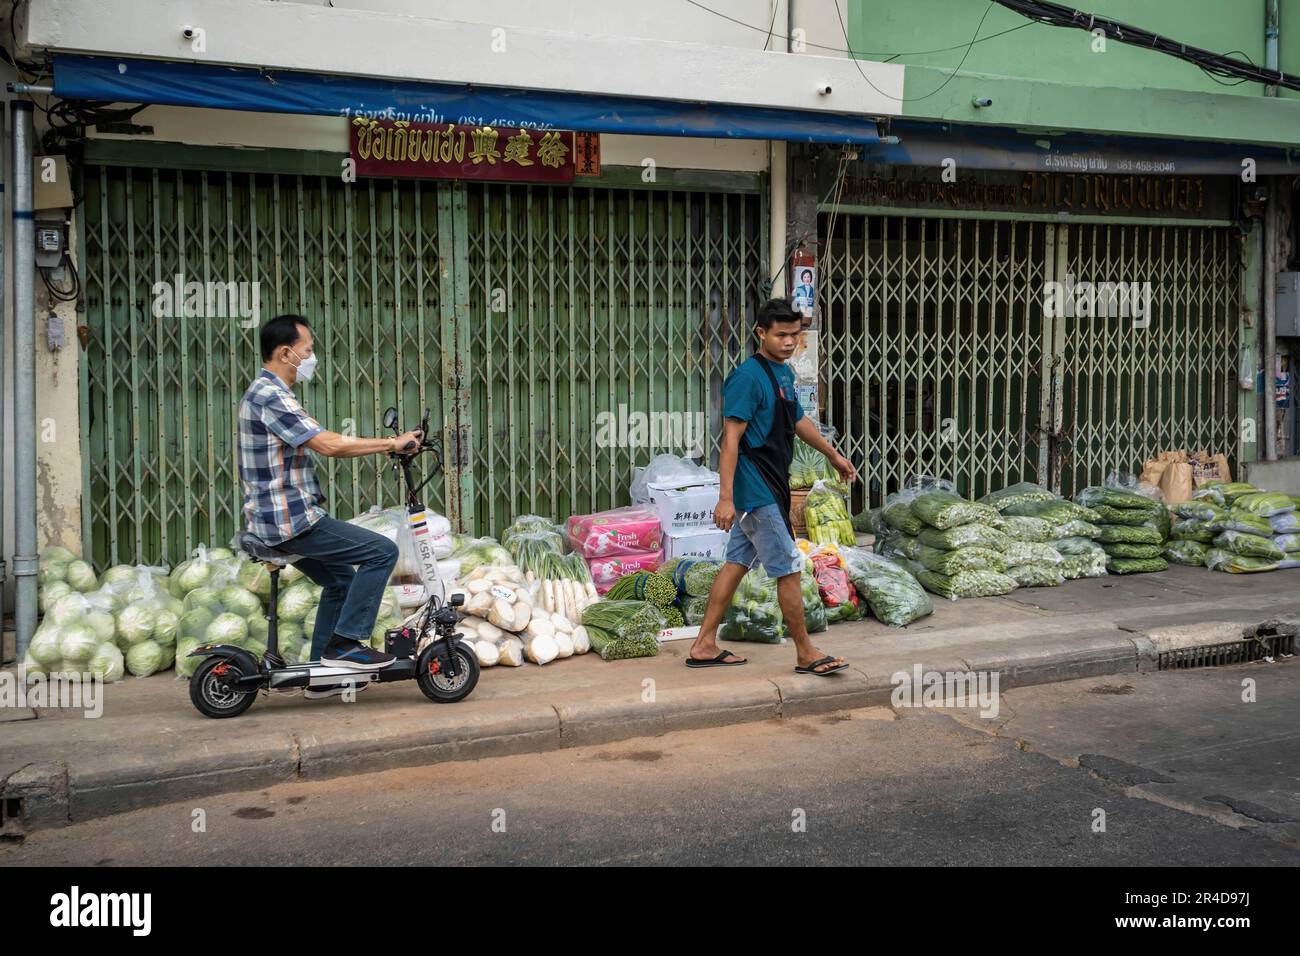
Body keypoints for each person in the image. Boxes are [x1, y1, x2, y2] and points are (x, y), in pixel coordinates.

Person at [237, 314, 424, 695]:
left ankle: (326, 671)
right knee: (381, 551)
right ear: (287, 353)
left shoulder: (274, 394)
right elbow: (329, 444)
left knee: (341, 579)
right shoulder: (269, 396)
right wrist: (391, 443)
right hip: (289, 522)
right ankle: (346, 646)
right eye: (308, 350)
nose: (312, 357)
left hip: (282, 518)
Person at [687, 298, 857, 676]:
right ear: (761, 333)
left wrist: (833, 455)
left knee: (736, 564)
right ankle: (805, 653)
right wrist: (726, 498)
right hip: (756, 486)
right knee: (788, 568)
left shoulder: (785, 375)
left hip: (771, 483)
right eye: (780, 334)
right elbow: (730, 440)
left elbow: (799, 421)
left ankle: (703, 644)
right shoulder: (747, 377)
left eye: (795, 335)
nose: (788, 342)